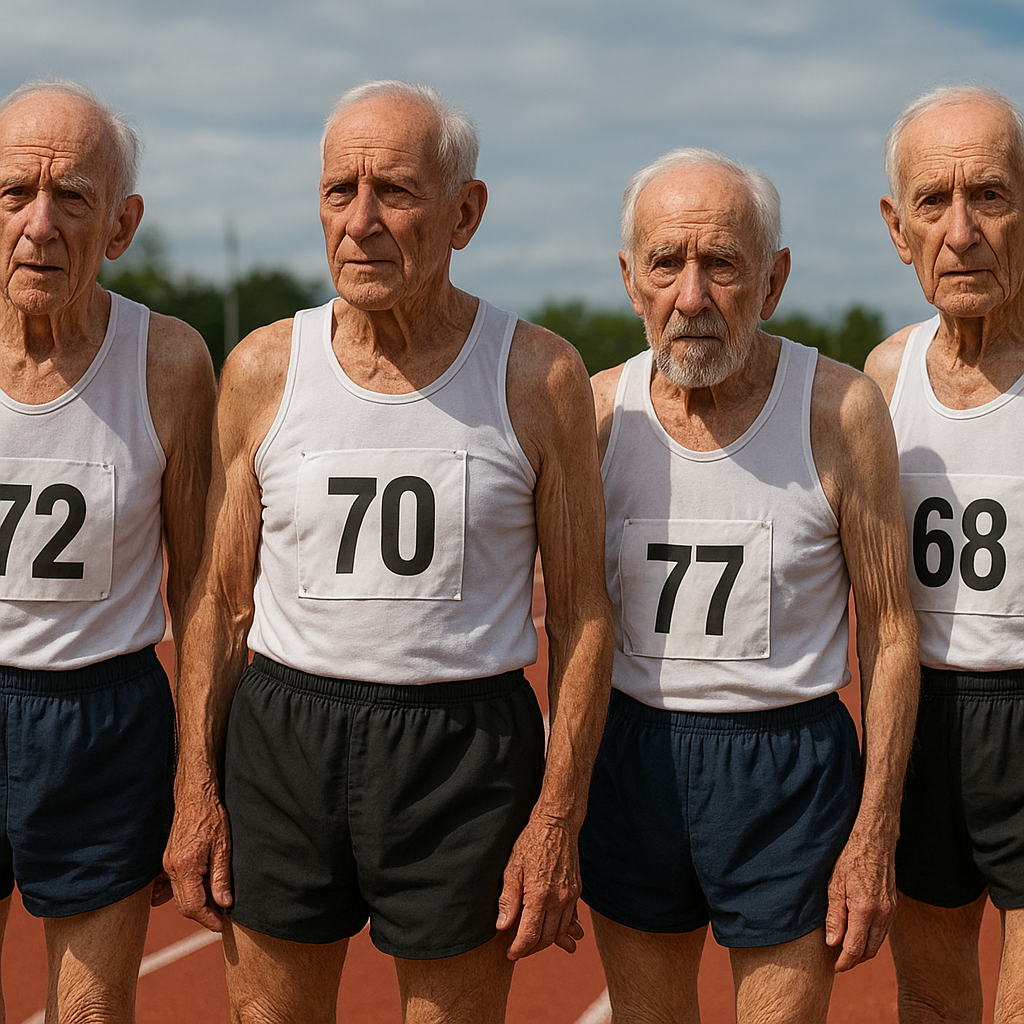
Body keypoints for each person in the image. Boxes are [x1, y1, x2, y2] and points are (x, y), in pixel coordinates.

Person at [163, 80, 612, 1024]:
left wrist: (556, 816)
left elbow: (579, 614)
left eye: (395, 192)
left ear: (466, 212)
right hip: (284, 738)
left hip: (464, 751)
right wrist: (195, 790)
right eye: (340, 191)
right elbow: (217, 601)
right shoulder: (261, 368)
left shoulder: (539, 375)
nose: (361, 221)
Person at [577, 148, 920, 1023]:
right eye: (666, 264)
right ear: (630, 279)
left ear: (772, 280)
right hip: (632, 758)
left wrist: (875, 831)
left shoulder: (840, 411)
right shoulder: (593, 414)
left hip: (788, 770)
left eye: (722, 265)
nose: (690, 297)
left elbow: (888, 630)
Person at [0, 81, 215, 1022]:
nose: (39, 226)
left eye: (73, 198)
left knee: (90, 1013)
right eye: (15, 193)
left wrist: (199, 779)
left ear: (121, 225)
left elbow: (207, 586)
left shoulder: (168, 361)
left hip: (101, 718)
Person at [864, 86, 1024, 1024]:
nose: (961, 232)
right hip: (922, 721)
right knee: (928, 999)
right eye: (933, 203)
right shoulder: (883, 380)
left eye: (991, 197)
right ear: (898, 229)